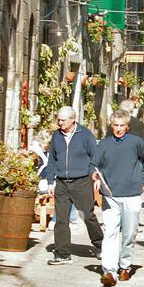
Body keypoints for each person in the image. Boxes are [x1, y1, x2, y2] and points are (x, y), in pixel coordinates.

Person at [90, 110, 144, 286]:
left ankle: (125, 266)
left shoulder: (137, 143)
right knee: (111, 232)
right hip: (110, 195)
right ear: (112, 126)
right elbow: (94, 164)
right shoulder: (104, 144)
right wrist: (94, 175)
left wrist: (141, 181)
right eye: (115, 125)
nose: (118, 129)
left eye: (121, 126)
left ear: (127, 126)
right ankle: (109, 271)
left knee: (129, 232)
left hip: (132, 194)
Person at [46, 106, 103, 265]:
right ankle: (62, 253)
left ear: (73, 119)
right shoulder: (56, 136)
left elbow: (95, 156)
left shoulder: (85, 135)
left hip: (82, 181)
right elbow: (52, 160)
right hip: (62, 183)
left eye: (63, 120)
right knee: (61, 219)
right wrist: (51, 181)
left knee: (88, 215)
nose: (60, 123)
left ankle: (100, 245)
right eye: (58, 120)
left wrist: (95, 174)